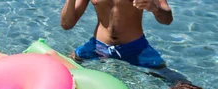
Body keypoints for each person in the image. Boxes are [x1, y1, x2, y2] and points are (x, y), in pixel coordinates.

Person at [60, 0, 189, 83]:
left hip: (136, 49)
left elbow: (168, 19)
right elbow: (66, 24)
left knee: (177, 82)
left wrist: (154, 8)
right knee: (64, 67)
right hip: (98, 47)